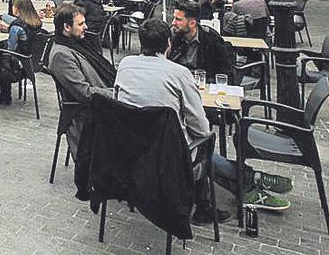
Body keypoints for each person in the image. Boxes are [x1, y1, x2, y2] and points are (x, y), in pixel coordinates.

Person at [116, 19, 292, 222]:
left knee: (194, 143)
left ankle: (249, 183)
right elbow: (201, 128)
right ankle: (230, 191)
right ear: (168, 43)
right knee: (204, 143)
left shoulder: (125, 65)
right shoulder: (179, 73)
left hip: (131, 149)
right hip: (168, 156)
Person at [46, 4, 116, 154]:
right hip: (88, 111)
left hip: (103, 101)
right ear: (66, 27)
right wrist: (116, 94)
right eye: (81, 24)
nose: (86, 27)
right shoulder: (61, 55)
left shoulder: (79, 44)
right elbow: (84, 93)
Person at [0, 0, 42, 105]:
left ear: (17, 8)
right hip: (32, 62)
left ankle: (5, 95)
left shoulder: (17, 26)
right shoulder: (37, 22)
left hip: (19, 65)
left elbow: (10, 47)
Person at [167, 1, 233, 79]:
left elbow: (225, 72)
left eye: (178, 19)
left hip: (202, 84)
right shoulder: (171, 36)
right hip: (176, 81)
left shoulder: (211, 39)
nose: (173, 23)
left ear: (192, 23)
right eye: (174, 18)